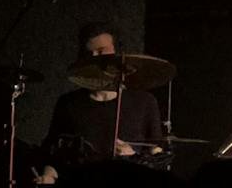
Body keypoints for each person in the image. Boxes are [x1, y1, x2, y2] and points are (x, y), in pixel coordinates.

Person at [42, 21, 163, 173]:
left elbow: (158, 154)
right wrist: (49, 174)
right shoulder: (69, 103)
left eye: (101, 52)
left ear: (118, 55)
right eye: (89, 54)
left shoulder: (144, 102)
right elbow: (52, 152)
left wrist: (133, 155)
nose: (94, 58)